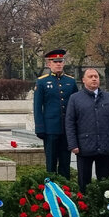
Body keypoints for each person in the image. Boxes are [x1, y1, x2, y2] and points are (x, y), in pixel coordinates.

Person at [65, 68, 109, 189]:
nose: (94, 79)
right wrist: (73, 144)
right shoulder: (75, 98)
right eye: (90, 77)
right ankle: (85, 205)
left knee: (104, 181)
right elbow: (70, 123)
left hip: (105, 145)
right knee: (84, 181)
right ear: (83, 80)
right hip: (83, 146)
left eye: (96, 76)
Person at [32, 48, 76, 178]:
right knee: (51, 163)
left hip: (66, 129)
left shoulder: (71, 81)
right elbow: (37, 107)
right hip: (50, 129)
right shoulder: (42, 82)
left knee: (65, 162)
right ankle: (51, 188)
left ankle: (65, 189)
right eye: (55, 61)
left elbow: (76, 105)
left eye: (60, 61)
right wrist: (39, 128)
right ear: (48, 64)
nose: (58, 64)